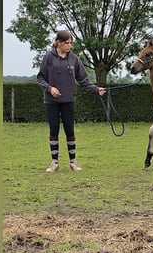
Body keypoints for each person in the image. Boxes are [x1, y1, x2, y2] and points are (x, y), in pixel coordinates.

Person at [35, 31, 106, 172]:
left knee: (70, 130)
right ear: (59, 43)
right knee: (53, 130)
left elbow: (83, 79)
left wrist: (96, 89)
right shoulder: (48, 58)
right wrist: (50, 89)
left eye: (70, 43)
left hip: (68, 101)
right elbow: (40, 78)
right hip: (51, 102)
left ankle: (73, 162)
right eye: (67, 43)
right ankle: (54, 163)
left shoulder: (74, 59)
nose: (69, 46)